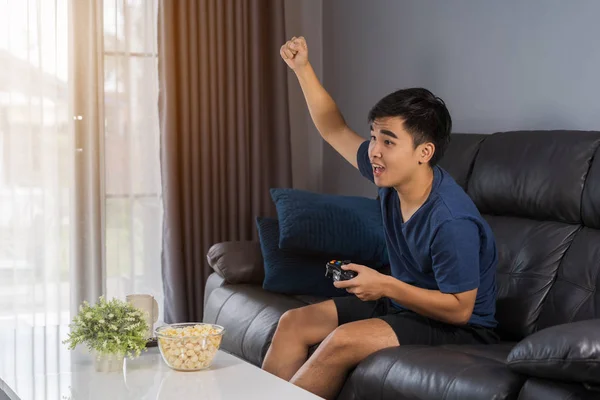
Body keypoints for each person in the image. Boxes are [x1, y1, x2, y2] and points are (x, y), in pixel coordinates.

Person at [261, 36, 499, 400]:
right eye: (374, 137)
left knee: (341, 341)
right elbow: (334, 129)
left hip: (458, 328)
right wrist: (302, 69)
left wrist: (385, 285)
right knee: (294, 322)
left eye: (388, 141)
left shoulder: (451, 221)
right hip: (403, 304)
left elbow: (460, 310)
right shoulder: (390, 178)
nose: (374, 150)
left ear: (424, 152)